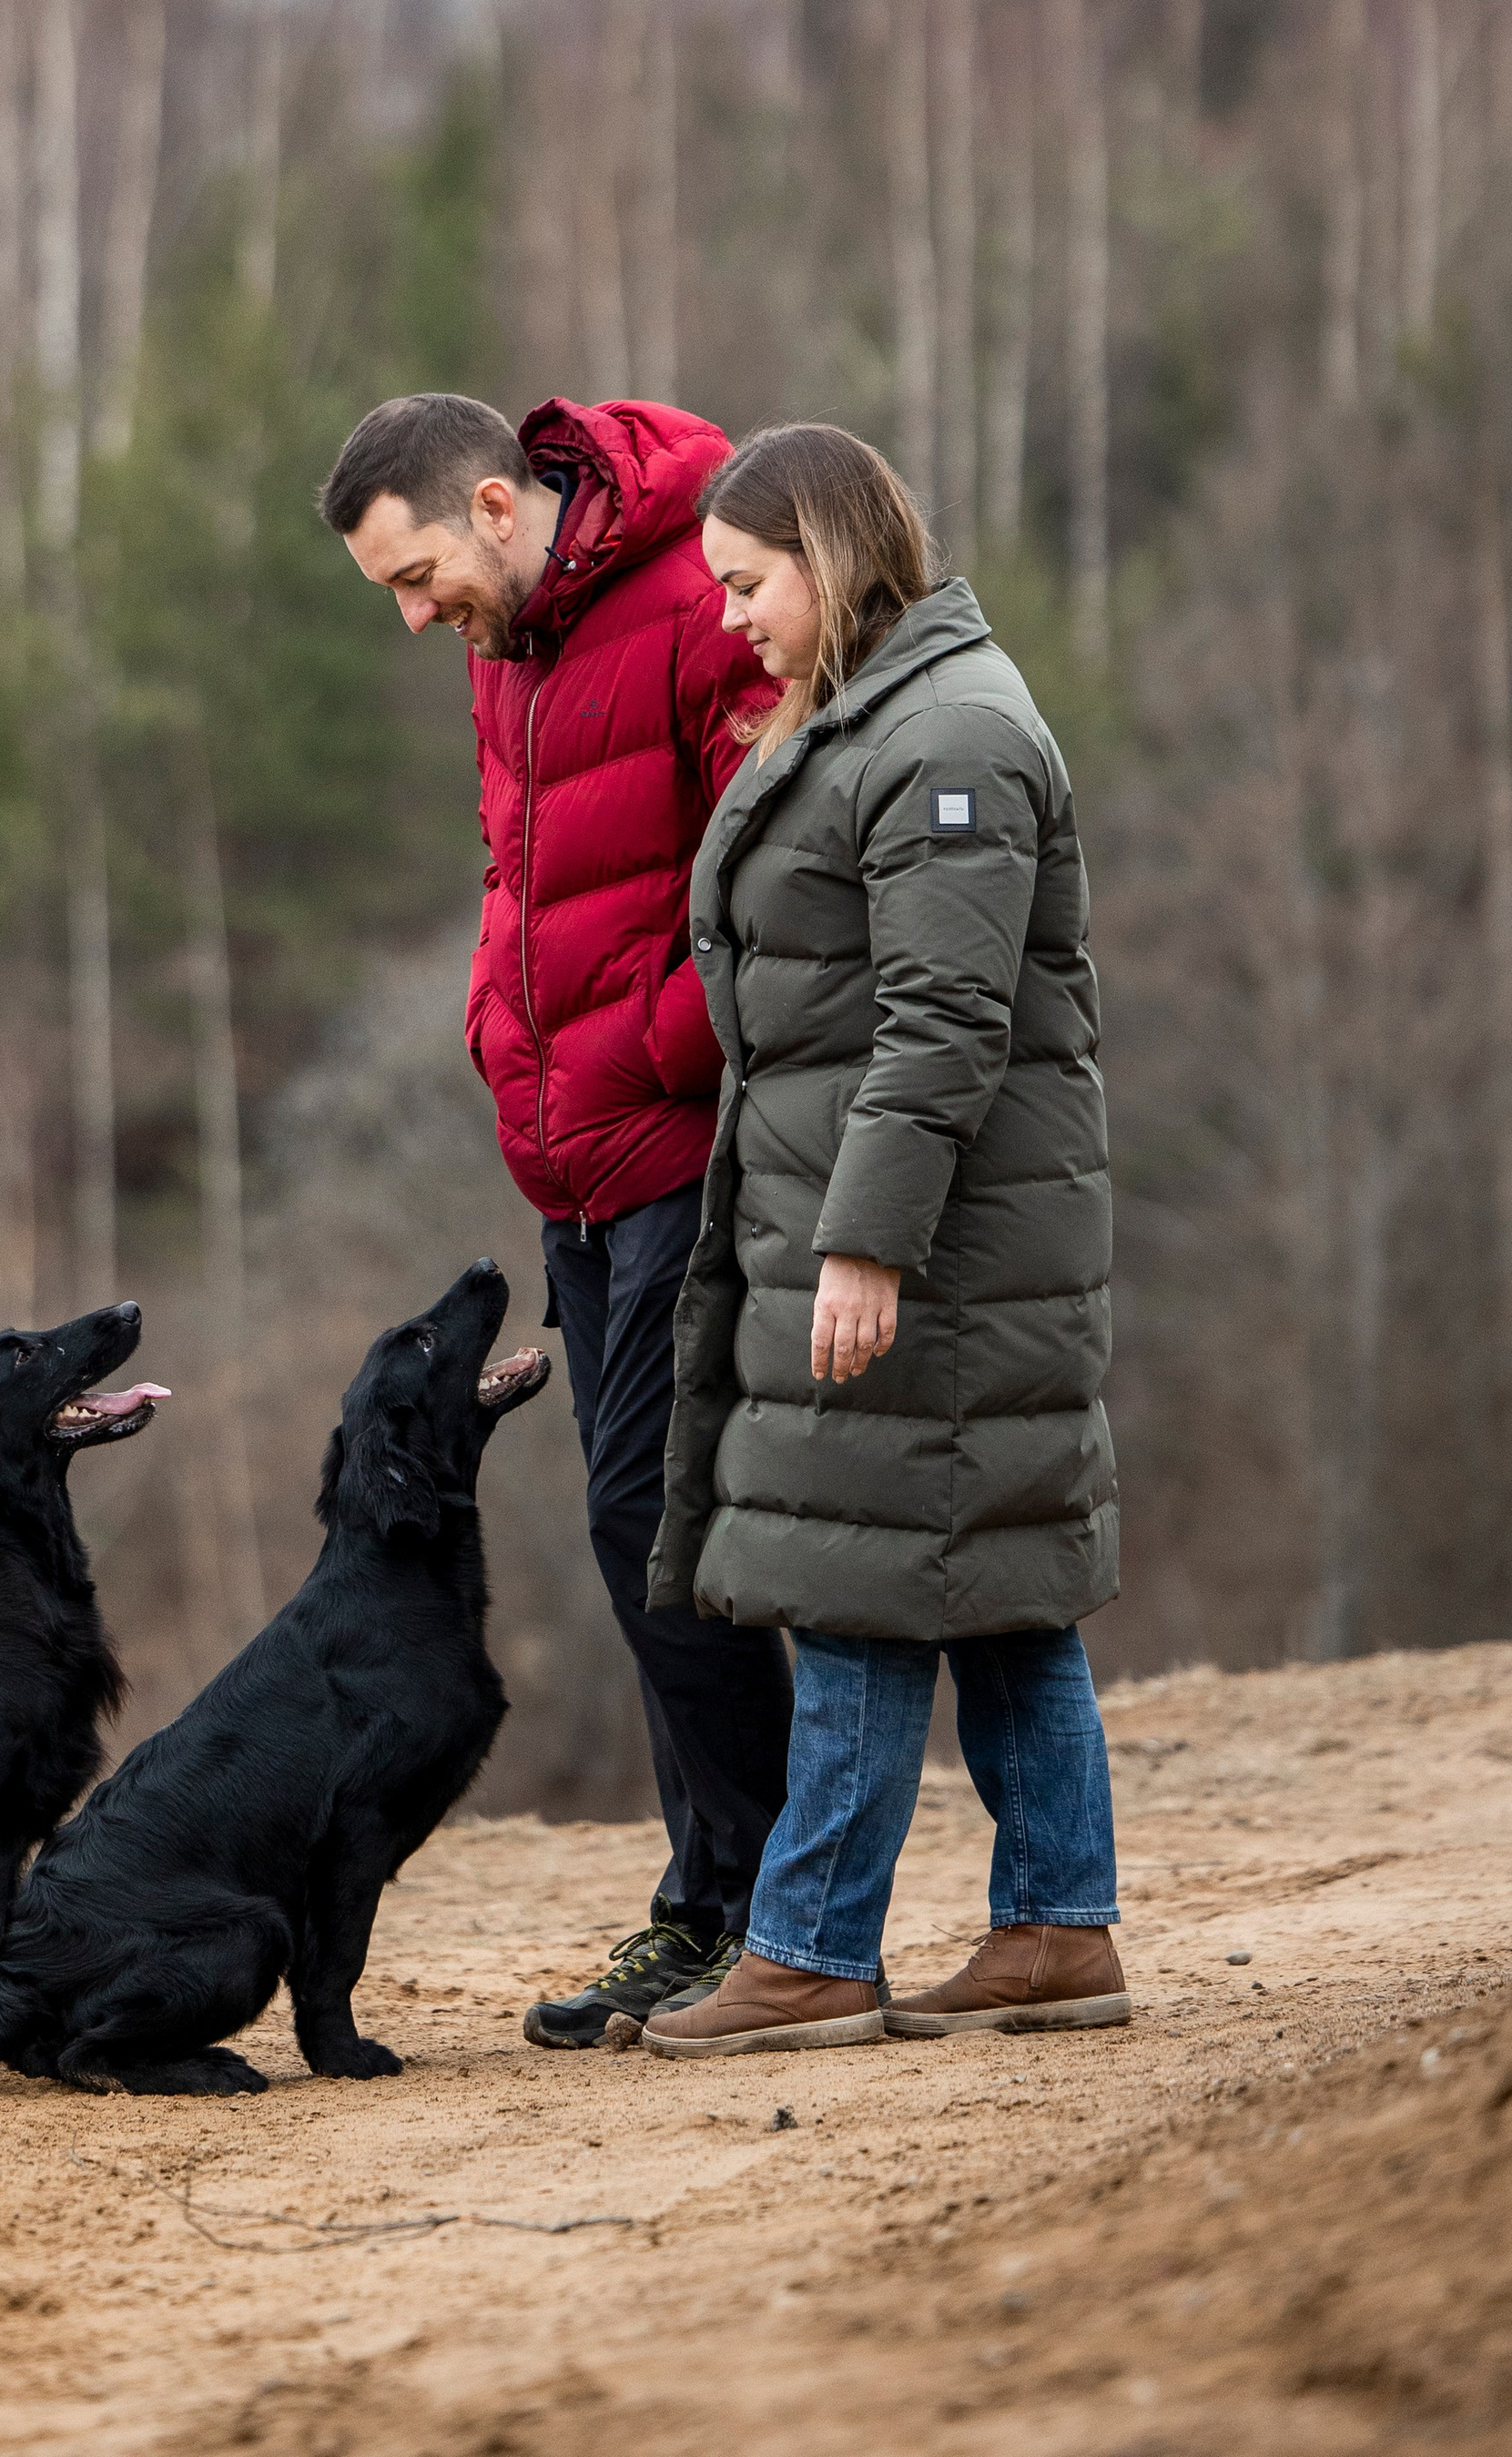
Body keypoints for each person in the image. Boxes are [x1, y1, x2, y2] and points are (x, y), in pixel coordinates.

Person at [640, 421, 1129, 2055]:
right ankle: (1057, 1932)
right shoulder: (873, 716)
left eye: (746, 584)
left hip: (935, 1251)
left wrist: (865, 1247)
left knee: (851, 1567)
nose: (731, 620)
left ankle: (812, 1949)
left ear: (830, 560)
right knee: (993, 1578)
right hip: (901, 1226)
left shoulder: (950, 739)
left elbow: (943, 1022)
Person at [320, 390, 795, 2049]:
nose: (412, 614)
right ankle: (726, 1904)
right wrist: (499, 1032)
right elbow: (516, 873)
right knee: (641, 1527)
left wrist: (649, 1051)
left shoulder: (695, 600)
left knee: (654, 1519)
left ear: (497, 508)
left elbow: (777, 875)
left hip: (679, 1141)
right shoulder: (506, 642)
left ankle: (759, 1917)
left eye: (418, 575)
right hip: (572, 1161)